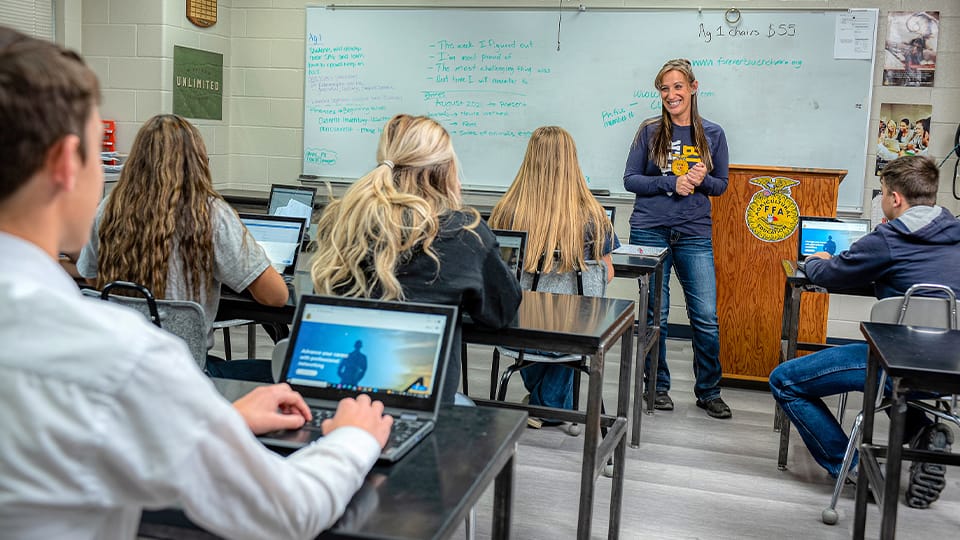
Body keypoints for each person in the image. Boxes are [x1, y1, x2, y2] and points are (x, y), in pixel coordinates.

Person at [0, 27, 392, 539]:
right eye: (98, 152)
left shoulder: (108, 219)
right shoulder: (123, 359)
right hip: (195, 366)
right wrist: (354, 440)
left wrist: (218, 420)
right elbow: (286, 513)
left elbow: (90, 276)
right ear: (64, 165)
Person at [769, 155, 960, 509]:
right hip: (951, 368)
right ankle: (925, 435)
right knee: (897, 381)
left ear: (896, 199)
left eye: (883, 194)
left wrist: (816, 261)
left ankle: (852, 466)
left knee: (785, 381)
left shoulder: (889, 237)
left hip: (895, 362)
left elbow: (828, 275)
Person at [311, 114, 522, 403]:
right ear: (446, 171)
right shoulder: (464, 232)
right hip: (418, 402)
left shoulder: (345, 220)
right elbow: (501, 313)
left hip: (335, 392)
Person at [77, 113, 286, 382]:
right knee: (285, 373)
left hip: (123, 373)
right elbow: (276, 296)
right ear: (197, 162)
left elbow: (93, 278)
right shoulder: (210, 214)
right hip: (188, 378)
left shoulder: (109, 208)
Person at [622, 58, 731, 418]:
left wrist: (700, 180)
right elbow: (631, 179)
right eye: (665, 89)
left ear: (693, 87)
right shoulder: (649, 131)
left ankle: (709, 391)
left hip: (693, 231)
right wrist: (671, 182)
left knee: (705, 314)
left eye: (677, 87)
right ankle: (656, 388)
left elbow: (721, 186)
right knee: (657, 314)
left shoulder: (712, 133)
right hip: (650, 229)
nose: (671, 95)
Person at [488, 126, 619, 421]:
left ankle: (542, 403)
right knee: (572, 315)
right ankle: (547, 407)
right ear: (572, 161)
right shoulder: (594, 216)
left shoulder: (506, 211)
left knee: (540, 316)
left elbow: (499, 273)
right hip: (575, 334)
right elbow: (605, 275)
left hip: (517, 331)